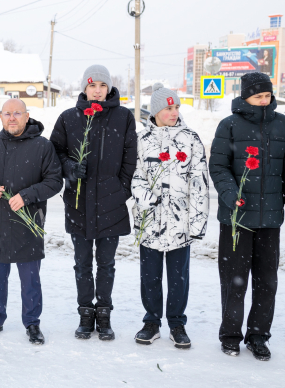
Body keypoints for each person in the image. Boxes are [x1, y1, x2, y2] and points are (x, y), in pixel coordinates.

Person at [50, 65, 137, 340]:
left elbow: (130, 156)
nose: (97, 91)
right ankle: (86, 313)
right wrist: (71, 169)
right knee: (82, 262)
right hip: (79, 201)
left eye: (102, 85)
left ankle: (104, 314)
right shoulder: (69, 118)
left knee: (107, 263)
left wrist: (121, 190)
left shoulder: (124, 117)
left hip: (111, 202)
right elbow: (55, 153)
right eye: (92, 85)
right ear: (84, 89)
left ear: (109, 87)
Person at [0, 98, 62, 345]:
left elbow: (54, 181)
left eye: (17, 113)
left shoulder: (42, 146)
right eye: (7, 113)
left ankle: (32, 323)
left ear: (27, 116)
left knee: (30, 278)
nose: (12, 118)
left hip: (28, 222)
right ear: (0, 117)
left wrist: (27, 195)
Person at [210, 72, 283, 361]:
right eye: (258, 96)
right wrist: (230, 194)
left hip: (269, 220)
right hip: (236, 219)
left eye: (267, 95)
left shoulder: (282, 125)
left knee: (267, 282)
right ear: (245, 97)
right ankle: (230, 335)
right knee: (234, 281)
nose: (264, 101)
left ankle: (258, 336)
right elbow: (218, 167)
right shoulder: (228, 126)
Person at [131, 83, 209, 349]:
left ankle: (177, 324)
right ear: (156, 111)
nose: (173, 112)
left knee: (178, 277)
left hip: (180, 222)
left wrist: (197, 222)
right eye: (168, 108)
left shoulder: (191, 139)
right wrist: (147, 199)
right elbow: (134, 176)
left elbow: (200, 184)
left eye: (176, 107)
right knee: (149, 276)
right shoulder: (141, 140)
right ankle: (151, 321)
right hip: (149, 220)